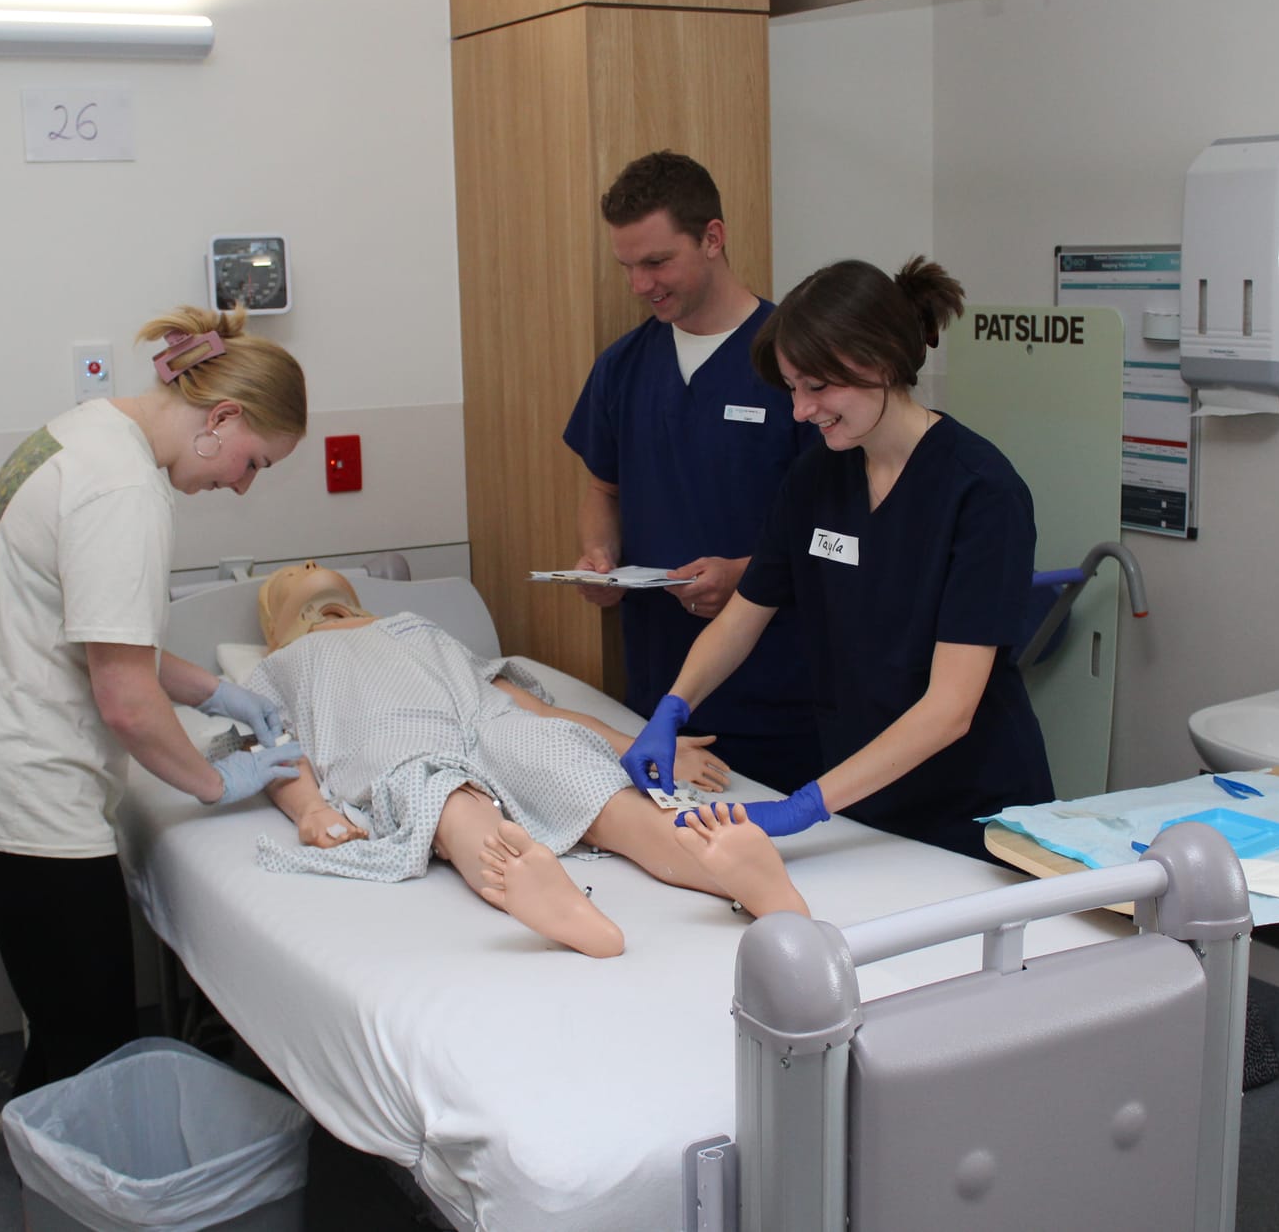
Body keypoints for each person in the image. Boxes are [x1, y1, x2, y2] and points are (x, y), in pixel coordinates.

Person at [0, 305, 310, 1092]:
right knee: (95, 1058)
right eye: (254, 461)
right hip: (28, 810)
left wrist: (216, 691)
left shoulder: (81, 433)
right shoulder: (124, 492)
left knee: (64, 1033)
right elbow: (124, 698)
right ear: (222, 417)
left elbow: (101, 634)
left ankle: (48, 1158)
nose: (241, 484)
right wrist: (213, 780)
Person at [620, 257, 1054, 862]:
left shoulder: (980, 492)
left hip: (971, 811)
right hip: (863, 797)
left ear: (880, 363)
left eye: (817, 387)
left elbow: (950, 709)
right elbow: (743, 617)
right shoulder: (817, 477)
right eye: (792, 388)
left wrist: (804, 806)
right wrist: (674, 706)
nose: (801, 410)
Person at [243, 562, 809, 958]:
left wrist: (640, 747)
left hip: (484, 717)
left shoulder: (414, 626)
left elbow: (533, 707)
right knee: (442, 792)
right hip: (394, 734)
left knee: (578, 772)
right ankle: (542, 885)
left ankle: (719, 864)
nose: (310, 570)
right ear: (276, 628)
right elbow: (275, 749)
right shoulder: (277, 667)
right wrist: (311, 809)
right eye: (291, 579)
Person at [562, 151, 821, 792]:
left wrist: (745, 576)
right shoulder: (623, 367)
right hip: (658, 696)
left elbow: (836, 531)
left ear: (712, 237)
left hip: (780, 697)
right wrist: (600, 558)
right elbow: (602, 488)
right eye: (627, 266)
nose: (639, 284)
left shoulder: (794, 365)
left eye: (656, 262)